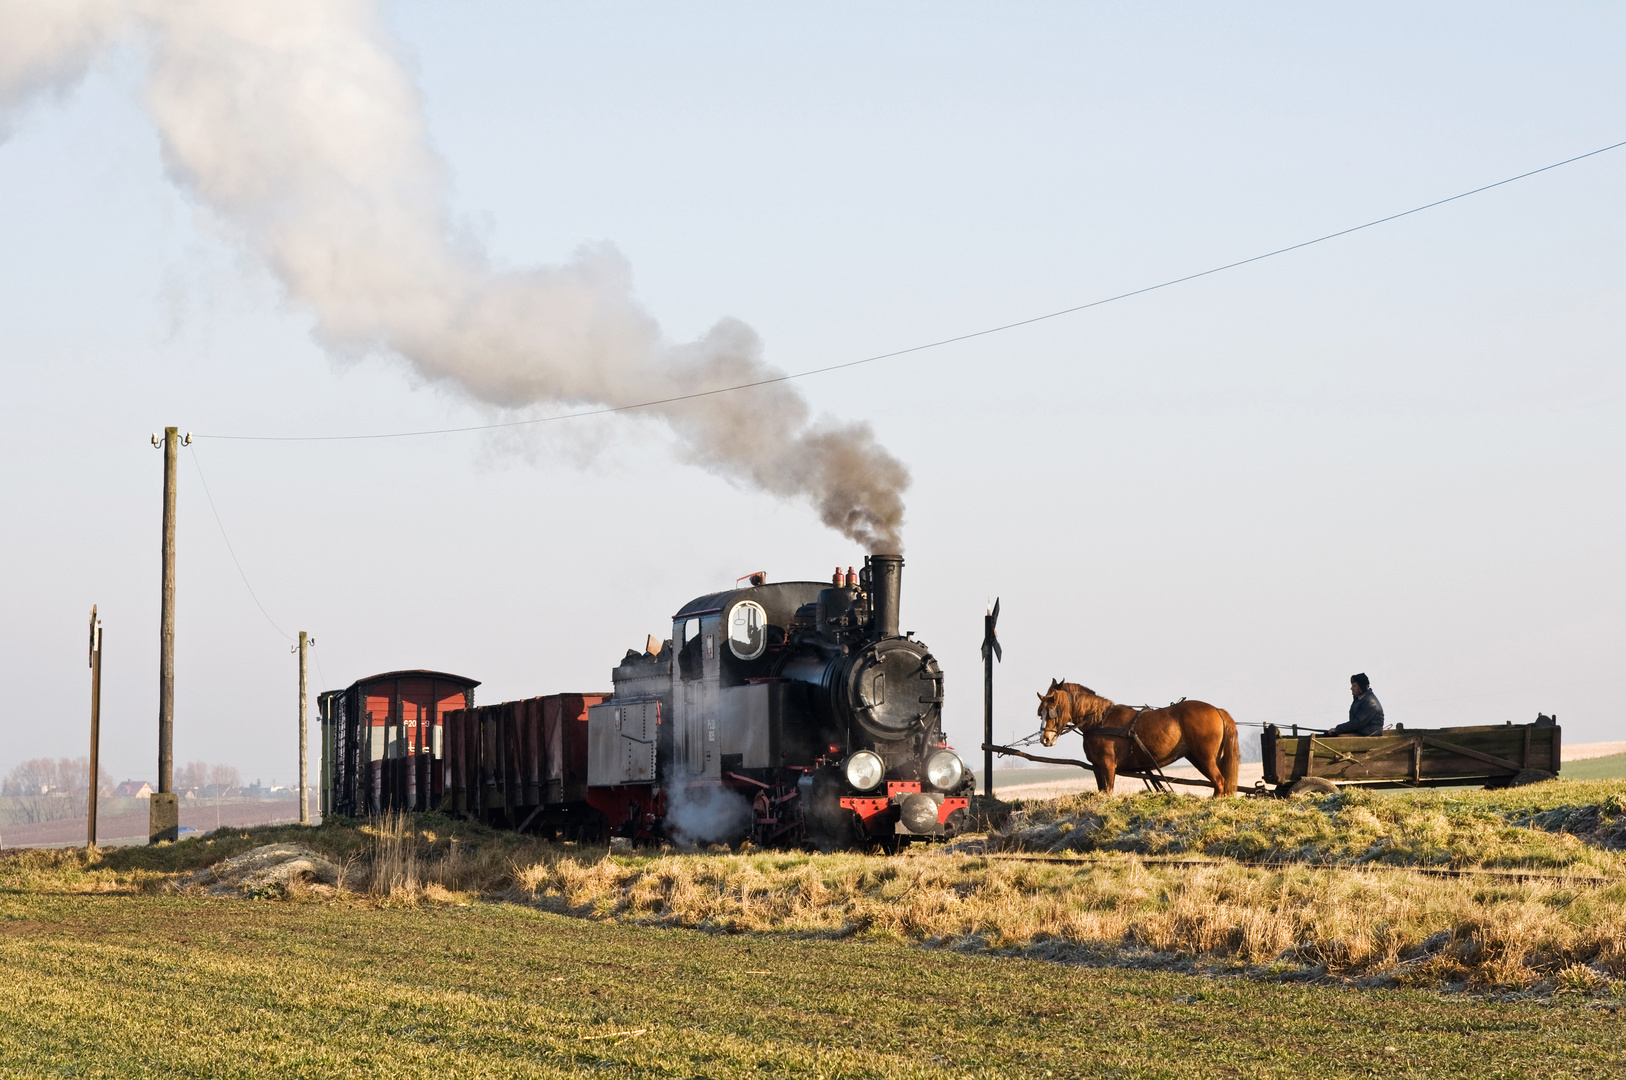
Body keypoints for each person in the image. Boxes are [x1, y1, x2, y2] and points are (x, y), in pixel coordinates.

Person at [1325, 673, 1384, 737]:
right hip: (1361, 733)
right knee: (1328, 735)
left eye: (1354, 686)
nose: (1351, 688)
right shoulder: (1360, 699)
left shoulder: (1371, 702)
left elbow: (1358, 723)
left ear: (1361, 687)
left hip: (1369, 735)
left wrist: (1338, 729)